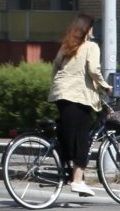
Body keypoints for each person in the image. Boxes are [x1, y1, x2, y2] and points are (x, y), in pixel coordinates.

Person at [47, 13, 111, 197]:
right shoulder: (91, 46)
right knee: (82, 137)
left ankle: (70, 172)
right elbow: (93, 69)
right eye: (92, 27)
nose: (93, 31)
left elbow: (55, 68)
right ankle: (77, 181)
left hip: (60, 93)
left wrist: (57, 88)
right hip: (78, 95)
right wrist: (104, 86)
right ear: (87, 30)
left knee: (69, 134)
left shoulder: (66, 46)